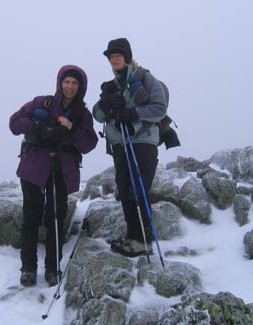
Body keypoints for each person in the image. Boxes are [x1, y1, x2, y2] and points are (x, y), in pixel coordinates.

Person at [9, 65, 98, 287]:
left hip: (61, 169)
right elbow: (14, 122)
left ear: (81, 87)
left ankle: (52, 268)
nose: (70, 87)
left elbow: (89, 143)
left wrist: (70, 129)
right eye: (66, 82)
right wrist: (39, 128)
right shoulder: (42, 103)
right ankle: (28, 268)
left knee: (55, 218)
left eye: (74, 83)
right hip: (33, 166)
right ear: (60, 83)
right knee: (31, 216)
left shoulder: (83, 115)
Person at [93, 38, 167, 257]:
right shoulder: (112, 85)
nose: (114, 59)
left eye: (118, 55)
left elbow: (159, 107)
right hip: (120, 143)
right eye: (111, 57)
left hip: (143, 140)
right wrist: (106, 102)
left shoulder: (144, 78)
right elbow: (97, 115)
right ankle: (132, 236)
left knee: (139, 188)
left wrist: (133, 114)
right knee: (124, 190)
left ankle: (144, 240)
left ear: (127, 56)